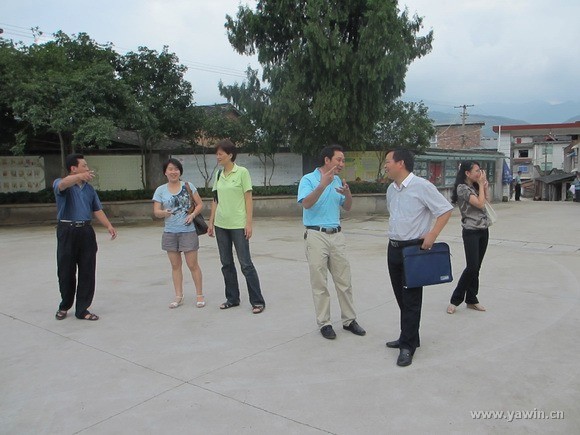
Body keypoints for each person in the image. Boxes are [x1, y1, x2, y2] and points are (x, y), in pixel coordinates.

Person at [383, 149, 452, 366]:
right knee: (401, 297)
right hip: (393, 248)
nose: (385, 166)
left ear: (400, 163)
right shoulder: (391, 190)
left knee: (411, 299)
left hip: (413, 250)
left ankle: (407, 346)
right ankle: (410, 335)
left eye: (388, 161)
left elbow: (445, 210)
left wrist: (432, 234)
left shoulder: (422, 186)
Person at [297, 145, 366, 340]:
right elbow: (306, 203)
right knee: (319, 282)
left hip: (336, 235)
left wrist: (348, 193)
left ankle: (349, 320)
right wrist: (321, 185)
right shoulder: (308, 180)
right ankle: (325, 323)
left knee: (344, 281)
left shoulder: (337, 180)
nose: (342, 164)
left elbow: (348, 207)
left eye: (343, 160)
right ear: (327, 160)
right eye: (339, 160)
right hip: (316, 234)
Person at [53, 153, 117, 321]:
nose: (88, 169)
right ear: (73, 168)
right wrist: (78, 177)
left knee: (87, 270)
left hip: (86, 231)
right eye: (84, 166)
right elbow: (63, 184)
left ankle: (82, 309)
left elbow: (97, 209)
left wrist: (108, 225)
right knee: (66, 271)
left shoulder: (89, 189)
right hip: (67, 230)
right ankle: (64, 305)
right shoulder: (61, 184)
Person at [207, 139, 266, 314]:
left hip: (238, 225)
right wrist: (211, 221)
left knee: (245, 263)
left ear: (230, 155)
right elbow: (215, 199)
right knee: (226, 263)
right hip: (221, 224)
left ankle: (257, 301)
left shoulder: (242, 172)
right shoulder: (219, 174)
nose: (218, 157)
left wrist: (249, 223)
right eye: (217, 154)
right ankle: (232, 298)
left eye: (220, 154)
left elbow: (248, 199)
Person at [153, 158, 205, 309]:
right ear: (165, 172)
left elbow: (200, 204)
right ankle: (178, 296)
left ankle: (199, 295)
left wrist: (192, 215)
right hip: (170, 232)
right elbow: (156, 211)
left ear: (180, 171)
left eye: (176, 169)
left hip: (188, 231)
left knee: (192, 264)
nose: (173, 172)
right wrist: (164, 212)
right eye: (170, 169)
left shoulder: (188, 186)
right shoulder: (160, 190)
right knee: (175, 266)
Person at [446, 161, 491, 315]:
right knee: (471, 266)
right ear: (467, 173)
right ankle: (455, 299)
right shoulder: (462, 188)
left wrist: (484, 186)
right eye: (476, 170)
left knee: (477, 267)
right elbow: (479, 204)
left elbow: (487, 202)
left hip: (483, 229)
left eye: (480, 170)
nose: (479, 173)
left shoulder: (475, 186)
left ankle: (472, 298)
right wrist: (481, 185)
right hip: (471, 230)